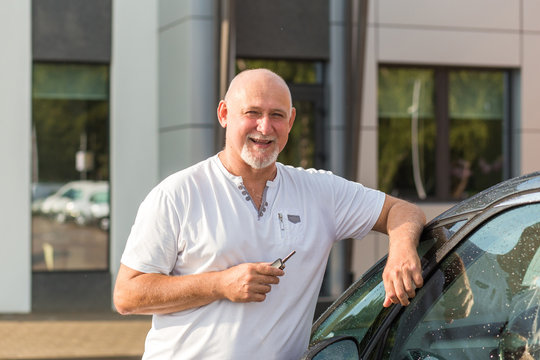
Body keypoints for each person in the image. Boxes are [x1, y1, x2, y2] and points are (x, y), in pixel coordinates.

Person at [113, 68, 426, 359]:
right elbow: (127, 294)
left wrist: (400, 250)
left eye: (276, 115)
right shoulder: (179, 194)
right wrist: (219, 285)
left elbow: (402, 211)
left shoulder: (319, 192)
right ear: (224, 114)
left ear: (290, 121)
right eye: (252, 113)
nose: (265, 127)